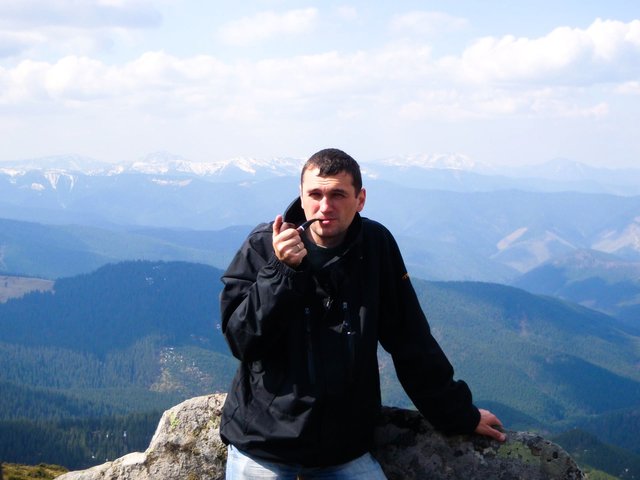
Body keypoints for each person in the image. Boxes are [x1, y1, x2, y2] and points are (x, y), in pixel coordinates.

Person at [219, 148, 505, 479]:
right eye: (315, 194)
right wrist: (282, 273)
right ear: (301, 195)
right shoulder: (264, 246)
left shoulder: (375, 246)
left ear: (360, 199)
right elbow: (241, 340)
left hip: (343, 450)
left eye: (338, 194)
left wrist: (459, 415)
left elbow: (410, 339)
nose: (325, 206)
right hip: (264, 446)